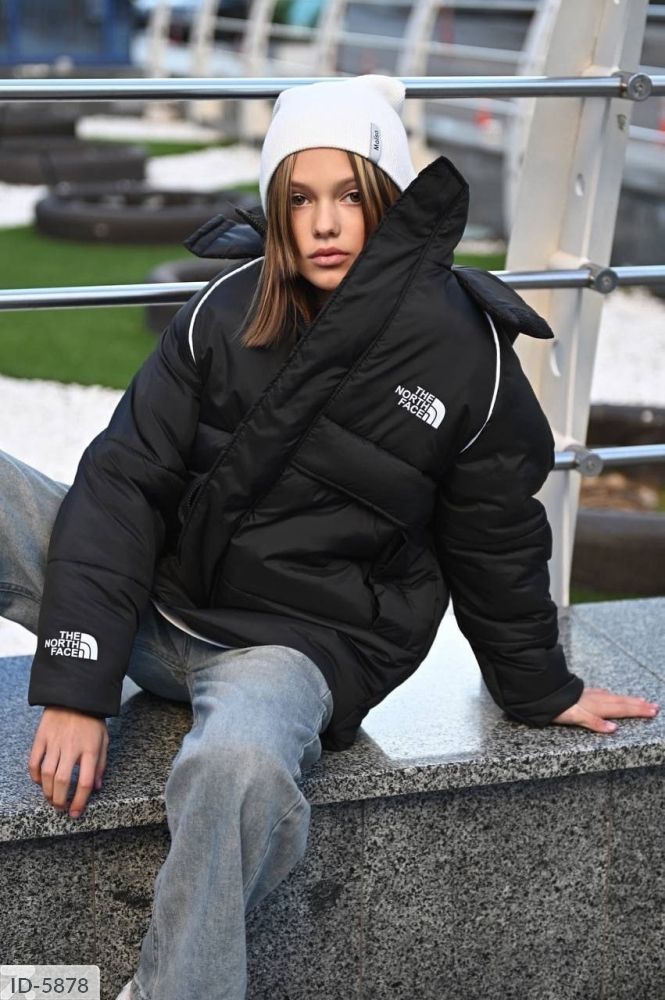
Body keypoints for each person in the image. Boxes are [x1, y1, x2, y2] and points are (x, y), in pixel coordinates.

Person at [3, 74, 657, 1000]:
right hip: (158, 604)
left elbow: (496, 539)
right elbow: (122, 486)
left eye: (349, 195)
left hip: (286, 654)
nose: (323, 224)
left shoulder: (466, 355)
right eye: (300, 199)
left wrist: (539, 688)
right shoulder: (223, 309)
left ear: (386, 199)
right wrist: (77, 682)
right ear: (276, 209)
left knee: (237, 769)